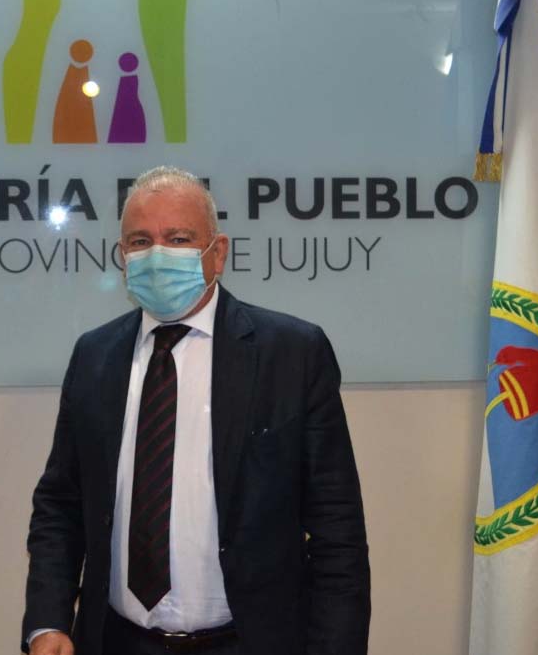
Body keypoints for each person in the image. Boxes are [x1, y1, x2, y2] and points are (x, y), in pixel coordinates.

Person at [21, 166, 370, 655]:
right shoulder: (94, 357)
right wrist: (48, 621)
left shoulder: (292, 353)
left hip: (250, 643)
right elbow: (61, 503)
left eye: (179, 239)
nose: (157, 254)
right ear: (123, 256)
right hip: (119, 641)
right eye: (140, 241)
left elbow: (338, 530)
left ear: (218, 252)